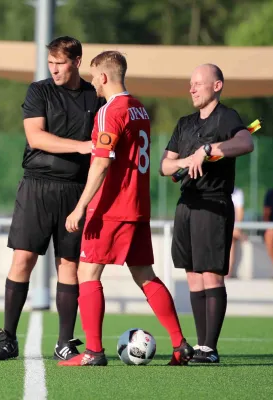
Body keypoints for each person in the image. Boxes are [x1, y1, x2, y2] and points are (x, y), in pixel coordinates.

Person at [57, 50, 194, 367]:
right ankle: (180, 345)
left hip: (111, 208)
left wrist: (81, 207)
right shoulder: (139, 109)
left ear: (103, 76)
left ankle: (93, 352)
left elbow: (102, 162)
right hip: (138, 207)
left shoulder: (110, 111)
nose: (92, 82)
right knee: (145, 275)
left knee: (87, 272)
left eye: (93, 76)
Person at [0, 36, 105, 361]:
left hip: (76, 191)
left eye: (60, 63)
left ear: (77, 61)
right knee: (23, 258)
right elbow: (34, 136)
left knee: (69, 266)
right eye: (50, 63)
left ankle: (64, 342)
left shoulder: (94, 97)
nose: (53, 69)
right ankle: (8, 338)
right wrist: (80, 146)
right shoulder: (38, 90)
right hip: (37, 185)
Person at [159, 64, 254, 364]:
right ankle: (201, 347)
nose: (192, 88)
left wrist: (210, 148)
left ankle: (210, 348)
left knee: (211, 276)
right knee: (193, 278)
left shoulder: (227, 117)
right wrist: (188, 158)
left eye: (198, 83)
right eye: (191, 83)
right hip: (187, 204)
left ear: (217, 86)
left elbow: (246, 142)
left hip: (214, 204)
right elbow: (165, 165)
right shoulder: (185, 123)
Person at [228, 187, 246, 278]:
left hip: (230, 228)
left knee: (230, 236)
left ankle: (228, 271)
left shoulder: (237, 192)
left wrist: (236, 228)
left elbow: (240, 213)